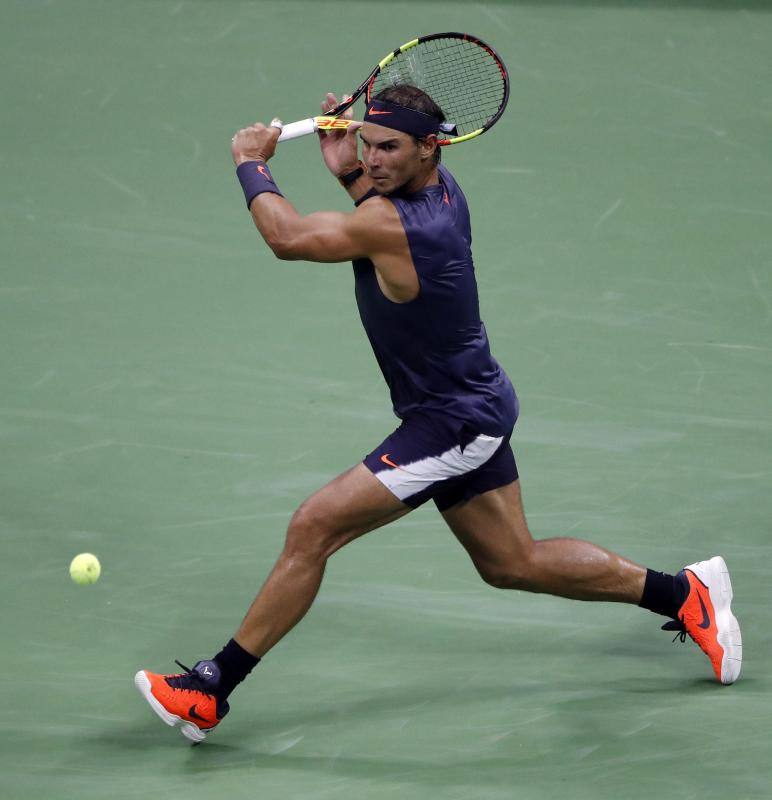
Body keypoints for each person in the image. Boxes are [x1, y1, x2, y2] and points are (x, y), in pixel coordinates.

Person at [134, 85, 742, 743]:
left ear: (431, 147)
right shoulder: (436, 190)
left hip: (451, 423)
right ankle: (684, 594)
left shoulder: (399, 224)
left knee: (315, 527)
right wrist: (348, 172)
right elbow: (372, 207)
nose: (373, 158)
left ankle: (210, 688)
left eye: (389, 147)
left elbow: (287, 236)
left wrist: (251, 161)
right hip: (472, 404)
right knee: (512, 562)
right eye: (367, 142)